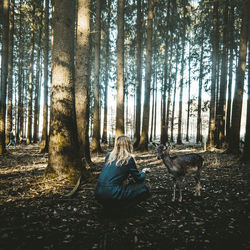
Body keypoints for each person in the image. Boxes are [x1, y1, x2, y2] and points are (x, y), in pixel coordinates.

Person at [95, 135, 151, 212]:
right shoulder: (128, 158)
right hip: (112, 193)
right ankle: (122, 210)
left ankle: (109, 207)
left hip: (98, 192)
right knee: (143, 189)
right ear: (128, 145)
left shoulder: (109, 155)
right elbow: (139, 179)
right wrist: (144, 171)